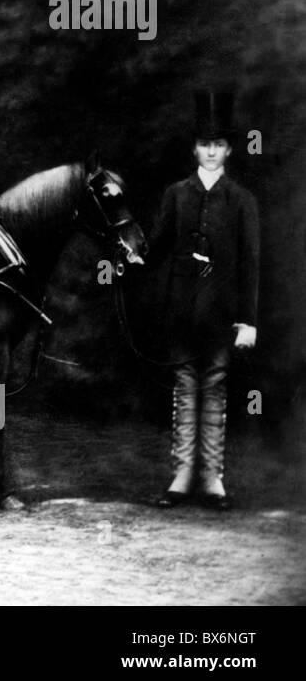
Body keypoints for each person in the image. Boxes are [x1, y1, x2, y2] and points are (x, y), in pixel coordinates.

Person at [150, 90, 259, 511]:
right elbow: (156, 248)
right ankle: (181, 474)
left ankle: (212, 476)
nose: (211, 152)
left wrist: (248, 321)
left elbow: (251, 265)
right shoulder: (176, 195)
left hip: (223, 314)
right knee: (184, 387)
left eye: (218, 145)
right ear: (194, 148)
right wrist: (128, 256)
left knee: (214, 388)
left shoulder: (242, 201)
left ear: (229, 150)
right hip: (181, 310)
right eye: (204, 144)